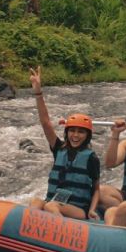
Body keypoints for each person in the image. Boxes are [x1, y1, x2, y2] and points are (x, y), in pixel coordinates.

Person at [27, 66, 100, 220]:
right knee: (36, 202)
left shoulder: (91, 157)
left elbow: (96, 188)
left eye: (81, 132)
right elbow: (46, 123)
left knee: (50, 205)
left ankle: (60, 235)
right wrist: (38, 93)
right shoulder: (59, 149)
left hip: (78, 209)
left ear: (87, 135)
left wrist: (92, 210)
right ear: (67, 133)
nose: (75, 135)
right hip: (54, 202)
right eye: (72, 131)